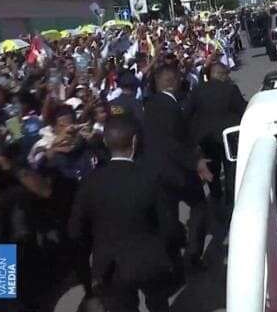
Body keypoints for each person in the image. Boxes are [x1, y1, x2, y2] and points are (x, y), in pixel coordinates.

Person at [68, 116, 177, 312]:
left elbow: (75, 231)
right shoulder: (150, 177)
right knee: (159, 304)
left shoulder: (90, 182)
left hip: (110, 266)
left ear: (105, 141)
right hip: (149, 260)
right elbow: (168, 225)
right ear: (135, 141)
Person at [143, 65, 213, 270]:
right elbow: (171, 142)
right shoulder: (170, 106)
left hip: (157, 173)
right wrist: (196, 161)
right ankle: (193, 254)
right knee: (199, 207)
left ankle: (172, 259)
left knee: (168, 218)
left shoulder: (150, 104)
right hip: (178, 171)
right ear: (174, 82)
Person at [183, 62, 247, 206]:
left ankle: (216, 197)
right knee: (231, 171)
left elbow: (187, 114)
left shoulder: (197, 91)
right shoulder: (231, 89)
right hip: (229, 138)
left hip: (206, 139)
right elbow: (242, 110)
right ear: (221, 74)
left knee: (213, 171)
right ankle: (231, 202)